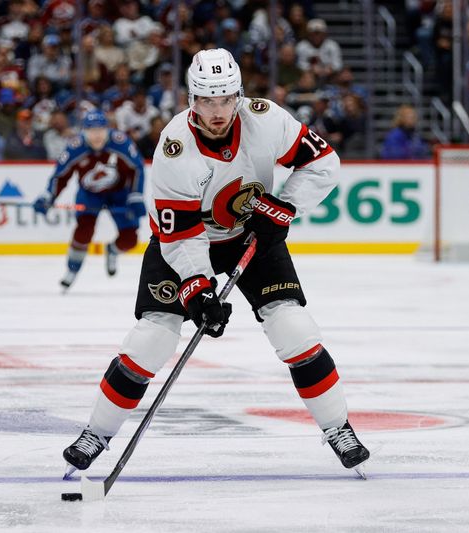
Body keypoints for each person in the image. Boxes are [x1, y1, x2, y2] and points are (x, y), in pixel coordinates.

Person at [61, 48, 370, 479]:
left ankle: (338, 428)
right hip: (185, 241)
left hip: (250, 233)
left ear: (239, 95)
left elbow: (323, 163)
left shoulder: (266, 119)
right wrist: (198, 287)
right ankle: (96, 433)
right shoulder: (175, 148)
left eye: (226, 99)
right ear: (192, 99)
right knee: (152, 337)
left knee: (293, 327)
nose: (218, 111)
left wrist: (284, 207)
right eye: (208, 100)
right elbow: (180, 234)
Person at [32, 109, 146, 291]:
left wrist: (136, 195)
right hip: (90, 195)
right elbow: (60, 176)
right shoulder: (75, 146)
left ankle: (112, 251)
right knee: (83, 232)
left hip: (119, 193)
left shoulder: (121, 142)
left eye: (100, 130)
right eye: (91, 131)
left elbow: (137, 168)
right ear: (83, 131)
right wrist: (48, 195)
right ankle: (72, 270)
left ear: (108, 129)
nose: (96, 136)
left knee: (129, 239)